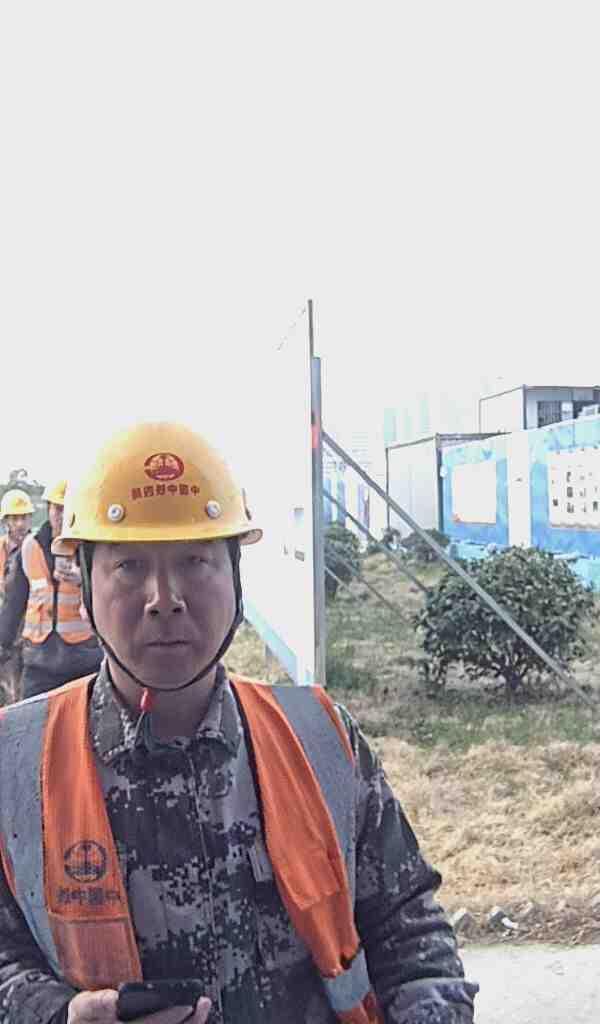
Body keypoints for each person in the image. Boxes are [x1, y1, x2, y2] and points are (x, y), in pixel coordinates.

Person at [0, 422, 478, 1024]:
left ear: (236, 577)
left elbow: (410, 935)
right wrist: (56, 1015)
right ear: (89, 586)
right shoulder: (15, 760)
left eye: (195, 561)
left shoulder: (320, 738)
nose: (164, 598)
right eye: (129, 566)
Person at [0, 479, 103, 699]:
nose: (62, 515)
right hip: (40, 661)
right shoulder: (30, 547)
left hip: (83, 658)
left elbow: (111, 598)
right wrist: (3, 644)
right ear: (48, 509)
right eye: (57, 508)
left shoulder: (91, 547)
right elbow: (14, 603)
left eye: (67, 509)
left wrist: (84, 581)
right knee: (30, 717)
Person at [0, 488, 34, 701]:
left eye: (24, 518)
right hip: (4, 630)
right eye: (15, 518)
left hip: (27, 636)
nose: (20, 524)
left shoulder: (39, 548)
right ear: (6, 521)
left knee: (19, 694)